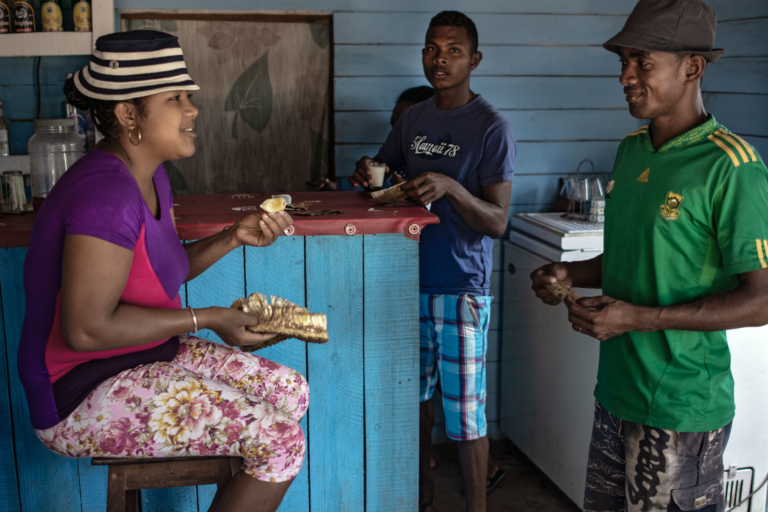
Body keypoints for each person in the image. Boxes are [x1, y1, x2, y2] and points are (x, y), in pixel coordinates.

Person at [19, 31, 307, 512]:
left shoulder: (150, 174)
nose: (192, 110)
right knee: (280, 441)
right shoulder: (104, 195)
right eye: (174, 99)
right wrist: (209, 318)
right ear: (128, 115)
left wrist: (233, 236)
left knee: (290, 392)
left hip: (142, 353)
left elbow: (163, 272)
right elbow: (87, 330)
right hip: (78, 388)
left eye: (188, 97)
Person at [530, 1, 768, 511]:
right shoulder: (631, 150)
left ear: (692, 67)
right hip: (616, 393)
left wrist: (637, 318)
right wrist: (570, 273)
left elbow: (761, 301)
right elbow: (634, 256)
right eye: (624, 62)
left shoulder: (732, 167)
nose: (625, 76)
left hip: (681, 409)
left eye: (643, 62)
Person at [349, 11, 515, 512]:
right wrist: (366, 171)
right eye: (431, 49)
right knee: (415, 406)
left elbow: (498, 221)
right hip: (406, 282)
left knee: (466, 418)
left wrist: (451, 187)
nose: (440, 60)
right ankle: (422, 498)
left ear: (474, 60)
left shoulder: (491, 127)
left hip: (461, 288)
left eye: (453, 51)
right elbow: (384, 173)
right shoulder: (414, 119)